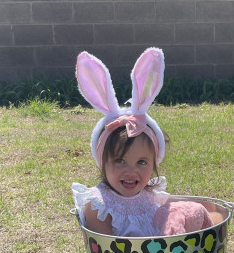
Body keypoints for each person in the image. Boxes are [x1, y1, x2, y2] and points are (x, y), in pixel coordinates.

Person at [71, 47, 214, 237]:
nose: (131, 171)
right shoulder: (99, 205)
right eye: (120, 160)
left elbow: (171, 215)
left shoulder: (150, 197)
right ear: (102, 162)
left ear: (154, 163)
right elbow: (103, 251)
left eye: (142, 162)